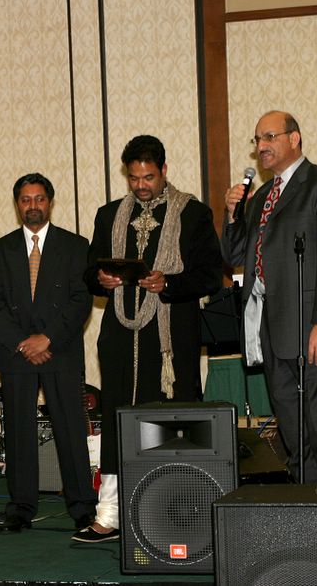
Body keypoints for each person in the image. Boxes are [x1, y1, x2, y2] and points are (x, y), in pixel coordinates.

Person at [76, 135, 222, 543]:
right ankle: (109, 514)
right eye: (134, 177)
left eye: (149, 177)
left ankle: (181, 511)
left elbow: (211, 274)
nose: (141, 185)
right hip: (121, 337)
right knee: (120, 418)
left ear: (164, 170)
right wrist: (100, 279)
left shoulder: (193, 214)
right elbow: (89, 272)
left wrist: (168, 283)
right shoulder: (109, 215)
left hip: (172, 339)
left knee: (174, 421)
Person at [221, 110, 317, 484]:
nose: (261, 147)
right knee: (295, 437)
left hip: (314, 329)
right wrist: (232, 216)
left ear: (294, 138)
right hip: (273, 331)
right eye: (257, 141)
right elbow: (237, 259)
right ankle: (309, 517)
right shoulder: (262, 195)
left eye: (269, 138)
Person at [0, 173, 96, 534]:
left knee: (70, 429)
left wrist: (46, 339)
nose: (33, 206)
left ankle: (82, 505)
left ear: (50, 201)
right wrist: (23, 342)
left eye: (39, 199)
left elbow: (81, 301)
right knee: (18, 431)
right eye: (25, 200)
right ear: (17, 204)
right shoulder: (1, 249)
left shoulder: (76, 246)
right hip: (17, 354)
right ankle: (20, 507)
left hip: (59, 351)